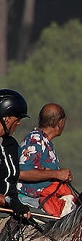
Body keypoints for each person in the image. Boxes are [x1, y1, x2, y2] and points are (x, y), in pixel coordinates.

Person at [17, 103, 76, 216]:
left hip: (41, 202)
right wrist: (57, 174)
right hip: (30, 201)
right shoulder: (35, 140)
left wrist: (60, 176)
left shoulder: (44, 141)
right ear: (60, 123)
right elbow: (23, 173)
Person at [0, 89, 32, 223]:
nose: (19, 123)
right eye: (17, 119)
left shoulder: (11, 144)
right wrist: (8, 201)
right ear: (6, 119)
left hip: (12, 213)